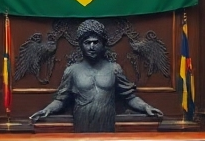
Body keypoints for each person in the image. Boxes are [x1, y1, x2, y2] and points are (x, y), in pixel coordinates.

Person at [29, 20, 162, 132]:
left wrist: (146, 107)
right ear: (81, 45)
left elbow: (129, 97)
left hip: (107, 125)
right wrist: (47, 110)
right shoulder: (72, 71)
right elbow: (61, 100)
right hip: (82, 124)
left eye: (95, 42)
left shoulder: (114, 69)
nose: (91, 46)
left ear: (103, 44)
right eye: (87, 42)